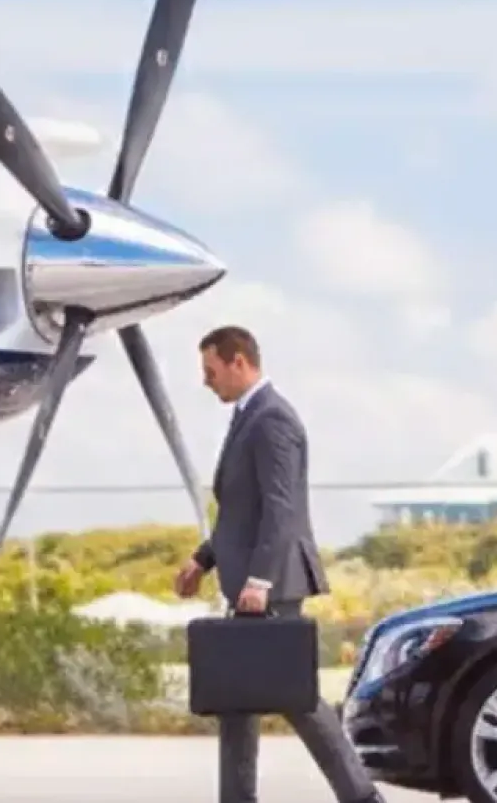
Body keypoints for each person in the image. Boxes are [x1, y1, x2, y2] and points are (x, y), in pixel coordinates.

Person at [175, 325, 383, 803]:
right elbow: (239, 512)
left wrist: (259, 579)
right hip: (251, 581)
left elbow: (280, 508)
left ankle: (363, 798)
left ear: (238, 362)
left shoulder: (271, 419)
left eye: (211, 371)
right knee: (237, 699)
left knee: (300, 701)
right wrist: (201, 560)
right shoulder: (248, 416)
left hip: (272, 584)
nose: (206, 382)